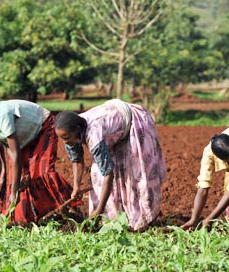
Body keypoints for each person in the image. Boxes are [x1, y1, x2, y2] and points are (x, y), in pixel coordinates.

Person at [0, 86, 81, 225]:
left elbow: (15, 154)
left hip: (43, 127)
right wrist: (17, 180)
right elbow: (6, 144)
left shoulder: (1, 114)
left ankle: (70, 207)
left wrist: (15, 190)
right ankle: (29, 217)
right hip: (22, 139)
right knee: (20, 178)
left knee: (42, 172)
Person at [54, 99, 167, 231]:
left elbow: (108, 174)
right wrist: (76, 187)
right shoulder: (69, 133)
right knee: (97, 176)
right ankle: (111, 220)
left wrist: (99, 209)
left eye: (66, 138)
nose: (65, 141)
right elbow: (77, 161)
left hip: (134, 123)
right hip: (111, 131)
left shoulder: (93, 133)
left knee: (137, 173)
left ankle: (144, 220)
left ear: (77, 130)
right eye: (62, 138)